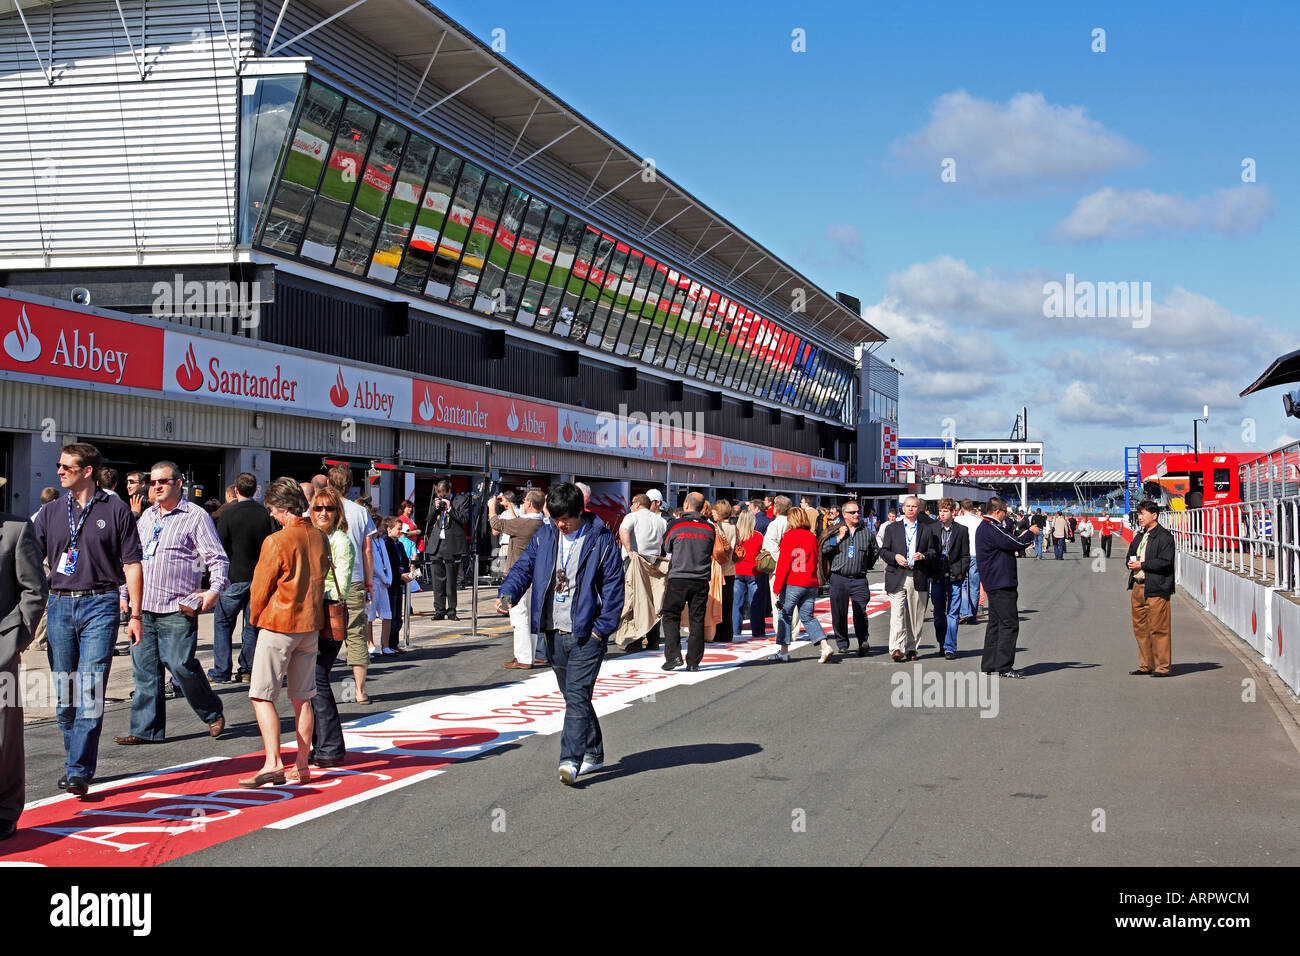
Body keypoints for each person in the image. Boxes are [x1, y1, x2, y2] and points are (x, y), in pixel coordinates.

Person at [32, 443, 143, 797]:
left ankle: (78, 770)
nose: (60, 471)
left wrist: (136, 613)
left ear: (88, 471)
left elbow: (132, 564)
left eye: (67, 466)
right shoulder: (50, 512)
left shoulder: (116, 509)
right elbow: (30, 562)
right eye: (59, 465)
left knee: (90, 689)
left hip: (101, 603)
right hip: (60, 605)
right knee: (66, 696)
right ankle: (76, 760)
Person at [496, 482, 623, 786]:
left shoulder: (601, 540)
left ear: (581, 512)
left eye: (566, 518)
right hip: (553, 631)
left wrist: (600, 631)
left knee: (577, 696)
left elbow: (614, 589)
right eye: (555, 518)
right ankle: (594, 752)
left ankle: (570, 759)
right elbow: (523, 568)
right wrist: (508, 594)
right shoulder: (546, 535)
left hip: (585, 634)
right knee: (573, 696)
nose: (561, 524)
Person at [113, 461, 229, 746]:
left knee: (180, 664)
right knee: (145, 671)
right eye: (153, 483)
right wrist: (124, 594)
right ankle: (145, 729)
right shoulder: (147, 517)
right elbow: (133, 560)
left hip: (177, 607)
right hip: (143, 608)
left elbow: (216, 557)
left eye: (163, 481)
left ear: (179, 484)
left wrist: (214, 590)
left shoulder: (195, 516)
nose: (157, 487)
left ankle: (211, 711)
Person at [240, 478, 330, 787]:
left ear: (283, 508)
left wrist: (254, 618)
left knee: (261, 694)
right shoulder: (320, 537)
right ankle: (301, 764)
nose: (272, 516)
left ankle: (273, 761)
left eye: (273, 510)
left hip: (280, 623)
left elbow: (260, 588)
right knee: (303, 697)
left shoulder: (276, 541)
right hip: (310, 624)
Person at [0, 486, 48, 841]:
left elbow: (34, 589)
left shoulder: (16, 530)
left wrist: (16, 637)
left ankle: (5, 809)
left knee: (4, 735)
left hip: (0, 647)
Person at [211, 472, 276, 683]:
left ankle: (221, 670)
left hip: (233, 577)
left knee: (222, 624)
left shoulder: (228, 514)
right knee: (252, 625)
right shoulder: (265, 514)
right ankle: (247, 669)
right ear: (256, 490)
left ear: (236, 491)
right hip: (258, 577)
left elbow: (220, 547)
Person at [308, 486, 352, 767]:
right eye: (318, 508)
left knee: (316, 679)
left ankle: (331, 747)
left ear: (338, 512)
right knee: (309, 683)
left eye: (329, 508)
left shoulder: (340, 541)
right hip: (309, 618)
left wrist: (308, 591)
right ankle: (322, 745)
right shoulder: (311, 537)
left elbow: (341, 588)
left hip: (327, 618)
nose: (323, 513)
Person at [975, 496, 1039, 678]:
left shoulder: (987, 527)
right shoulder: (991, 527)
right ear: (997, 511)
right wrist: (1031, 532)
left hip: (995, 581)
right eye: (1005, 512)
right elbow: (1015, 543)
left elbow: (1009, 541)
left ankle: (990, 664)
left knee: (995, 624)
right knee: (1009, 624)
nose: (1006, 515)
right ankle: (1004, 666)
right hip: (1001, 582)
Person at [327, 465, 376, 705]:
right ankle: (359, 691)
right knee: (357, 633)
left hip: (327, 579)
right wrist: (370, 582)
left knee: (324, 632)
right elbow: (368, 550)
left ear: (328, 482)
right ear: (350, 484)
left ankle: (318, 685)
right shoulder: (360, 511)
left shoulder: (320, 509)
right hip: (355, 579)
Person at [491, 489, 546, 668]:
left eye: (523, 502)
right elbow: (514, 521)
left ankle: (522, 658)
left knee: (518, 616)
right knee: (529, 617)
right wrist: (509, 506)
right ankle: (528, 655)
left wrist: (492, 506)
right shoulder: (541, 523)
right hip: (535, 576)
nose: (521, 505)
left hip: (518, 576)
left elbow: (496, 523)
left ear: (529, 504)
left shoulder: (526, 523)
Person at [659, 492, 714, 671]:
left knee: (670, 615)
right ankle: (693, 662)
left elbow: (666, 547)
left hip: (679, 577)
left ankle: (674, 656)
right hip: (701, 579)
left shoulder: (675, 524)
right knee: (696, 620)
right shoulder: (709, 528)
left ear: (686, 505)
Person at [879, 495, 936, 662]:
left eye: (914, 506)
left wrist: (923, 556)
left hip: (917, 574)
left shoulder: (926, 529)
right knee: (897, 614)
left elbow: (933, 551)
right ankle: (896, 647)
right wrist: (895, 557)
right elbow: (883, 551)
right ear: (902, 509)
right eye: (907, 506)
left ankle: (911, 647)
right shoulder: (892, 528)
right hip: (897, 573)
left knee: (916, 615)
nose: (910, 509)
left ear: (918, 509)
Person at [820, 499, 876, 657]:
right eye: (853, 512)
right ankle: (842, 642)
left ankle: (863, 640)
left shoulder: (865, 531)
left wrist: (864, 566)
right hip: (839, 578)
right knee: (839, 612)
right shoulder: (835, 530)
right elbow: (824, 549)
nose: (857, 514)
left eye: (858, 511)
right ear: (844, 514)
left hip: (859, 578)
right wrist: (838, 538)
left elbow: (874, 552)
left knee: (860, 611)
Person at [774, 506, 830, 662]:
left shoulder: (789, 536)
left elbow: (784, 564)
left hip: (793, 581)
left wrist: (777, 586)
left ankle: (784, 651)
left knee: (785, 615)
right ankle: (824, 645)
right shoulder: (812, 537)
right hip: (810, 582)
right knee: (807, 617)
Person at [1126, 500, 1176, 677]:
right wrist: (1131, 563)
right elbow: (1129, 557)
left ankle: (1162, 666)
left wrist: (1143, 564)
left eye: (1143, 513)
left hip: (1156, 587)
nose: (1139, 517)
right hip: (1137, 587)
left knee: (1159, 628)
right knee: (1140, 628)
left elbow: (1165, 562)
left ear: (1154, 515)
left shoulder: (1165, 537)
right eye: (1139, 513)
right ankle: (1146, 664)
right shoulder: (1139, 536)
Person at [929, 498, 969, 659]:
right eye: (940, 511)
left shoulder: (961, 530)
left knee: (953, 613)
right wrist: (931, 573)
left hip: (955, 576)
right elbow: (929, 552)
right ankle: (942, 642)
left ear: (953, 512)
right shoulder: (932, 529)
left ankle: (950, 647)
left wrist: (960, 572)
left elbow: (965, 555)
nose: (942, 514)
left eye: (945, 511)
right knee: (938, 614)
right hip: (937, 576)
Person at [427, 476, 471, 620]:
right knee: (437, 580)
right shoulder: (436, 502)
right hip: (437, 544)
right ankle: (439, 609)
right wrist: (435, 507)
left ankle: (451, 610)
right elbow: (429, 520)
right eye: (439, 495)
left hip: (452, 544)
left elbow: (464, 519)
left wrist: (450, 508)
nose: (441, 497)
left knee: (451, 581)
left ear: (449, 491)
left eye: (443, 495)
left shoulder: (461, 500)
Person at [732, 509, 766, 640]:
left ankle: (735, 630)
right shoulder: (758, 535)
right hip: (754, 571)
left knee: (737, 603)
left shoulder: (736, 534)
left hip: (737, 570)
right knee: (755, 603)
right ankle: (757, 631)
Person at [383, 517, 416, 652]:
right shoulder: (386, 543)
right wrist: (398, 574)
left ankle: (394, 643)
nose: (400, 531)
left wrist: (408, 572)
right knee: (392, 613)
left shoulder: (400, 544)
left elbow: (403, 561)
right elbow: (388, 564)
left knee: (398, 615)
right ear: (389, 529)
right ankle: (389, 643)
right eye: (398, 529)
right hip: (392, 582)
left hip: (399, 582)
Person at [712, 500, 737, 645]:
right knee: (728, 604)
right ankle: (727, 633)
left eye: (715, 511)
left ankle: (716, 633)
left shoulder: (716, 528)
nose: (713, 514)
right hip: (730, 569)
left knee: (716, 603)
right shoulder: (734, 527)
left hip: (717, 569)